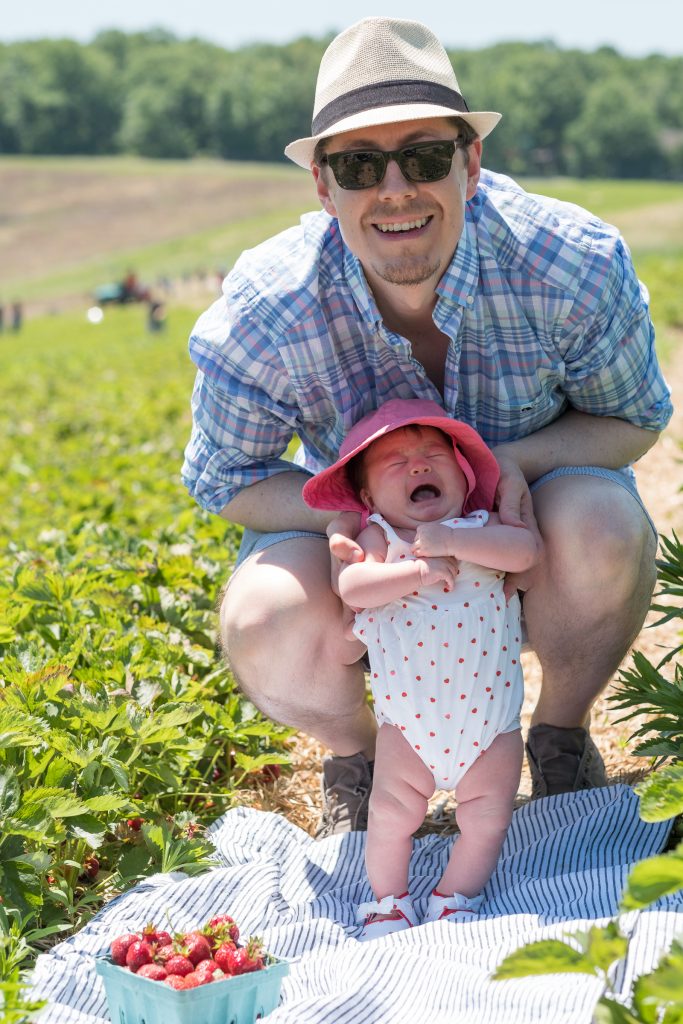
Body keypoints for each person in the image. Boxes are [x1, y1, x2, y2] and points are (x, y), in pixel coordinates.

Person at [182, 17, 672, 838]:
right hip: (366, 563)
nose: (395, 189)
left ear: (470, 163)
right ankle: (360, 758)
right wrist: (362, 520)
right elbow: (225, 479)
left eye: (425, 156)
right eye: (359, 165)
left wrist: (509, 465)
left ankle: (556, 732)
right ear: (322, 185)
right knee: (263, 614)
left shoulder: (570, 261)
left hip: (533, 536)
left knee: (601, 525)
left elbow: (632, 419)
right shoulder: (269, 307)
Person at [302, 399, 538, 937]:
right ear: (367, 498)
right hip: (409, 727)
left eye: (436, 453)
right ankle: (389, 902)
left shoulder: (481, 526)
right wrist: (416, 572)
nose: (418, 465)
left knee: (488, 819)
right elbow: (353, 588)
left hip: (491, 726)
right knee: (389, 819)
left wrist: (455, 540)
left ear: (465, 475)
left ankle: (455, 896)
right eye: (395, 461)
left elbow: (524, 551)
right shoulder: (382, 538)